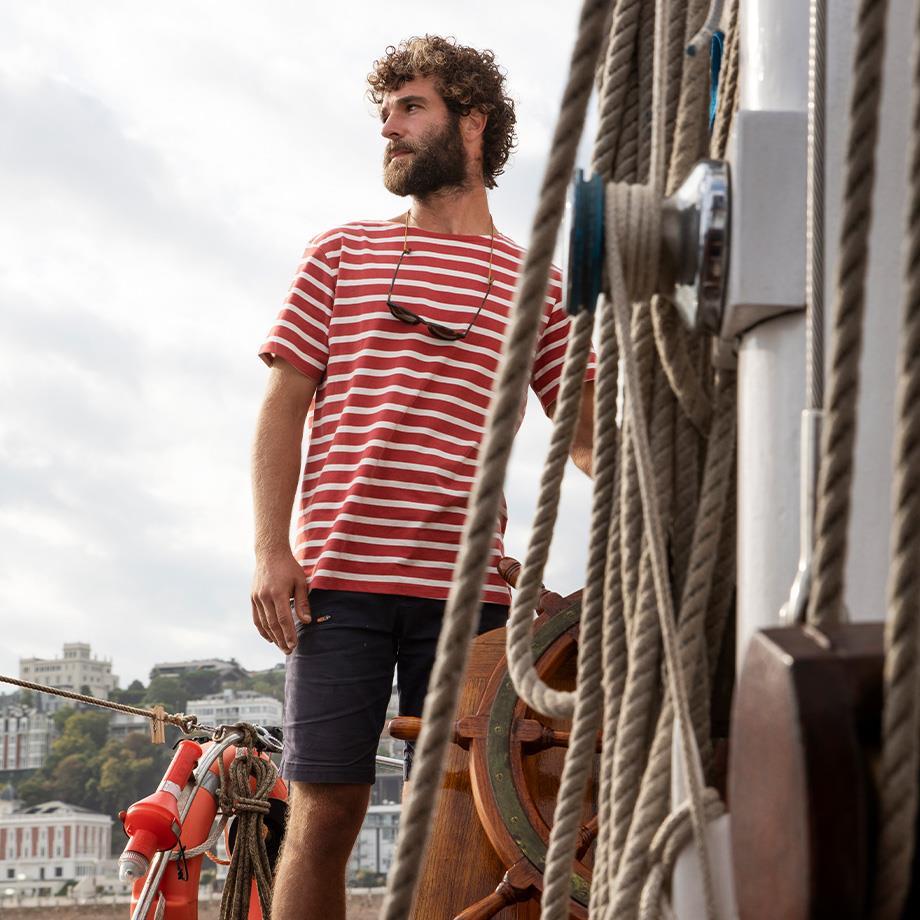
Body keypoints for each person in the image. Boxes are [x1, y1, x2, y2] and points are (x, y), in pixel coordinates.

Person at [250, 35, 595, 920]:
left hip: (471, 600)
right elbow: (284, 405)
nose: (391, 130)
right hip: (339, 588)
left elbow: (586, 439)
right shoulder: (340, 254)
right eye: (386, 114)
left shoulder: (537, 286)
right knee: (325, 815)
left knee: (465, 828)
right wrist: (270, 551)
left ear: (472, 124)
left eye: (411, 108)